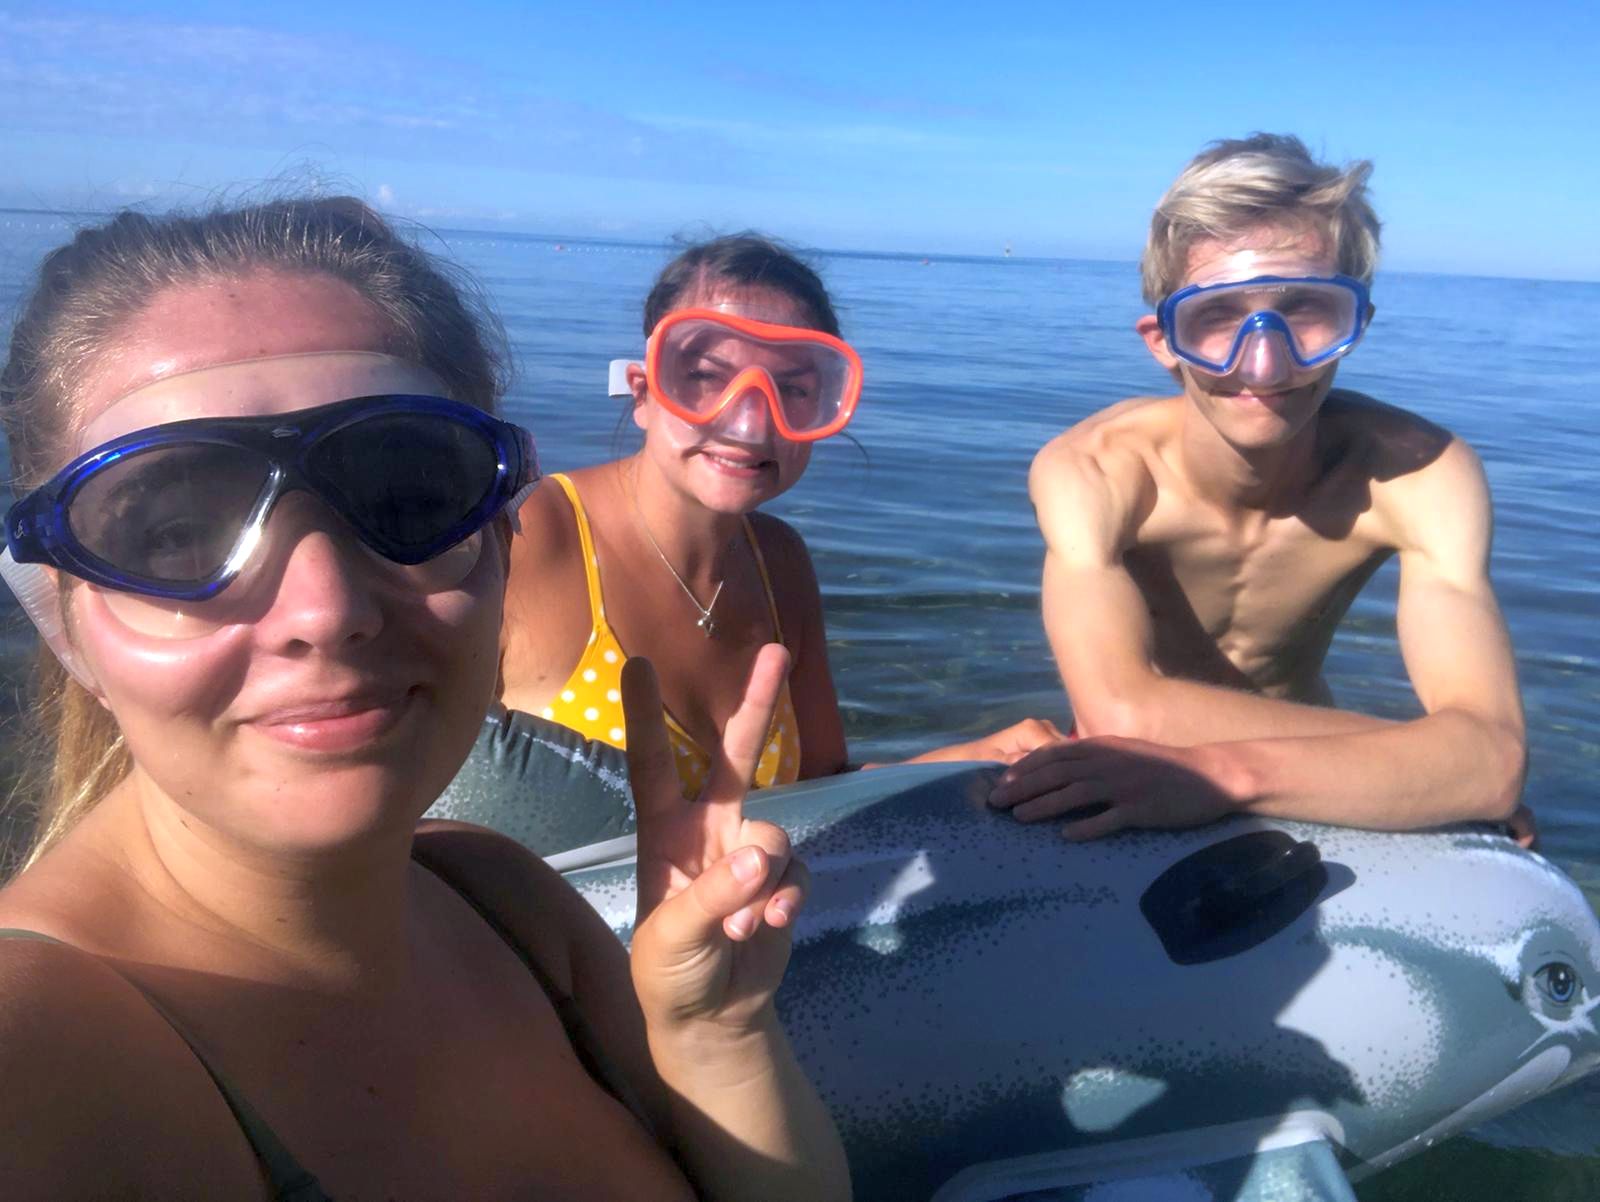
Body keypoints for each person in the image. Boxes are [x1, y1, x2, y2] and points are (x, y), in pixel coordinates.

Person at [0, 200, 849, 1200]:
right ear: (60, 615)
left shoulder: (508, 903)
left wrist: (714, 1034)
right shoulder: (42, 1055)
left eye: (408, 498)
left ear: (497, 548)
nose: (326, 609)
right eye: (174, 532)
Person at [992, 134, 1532, 844]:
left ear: (1357, 324)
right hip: (1141, 774)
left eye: (1307, 309)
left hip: (1306, 785)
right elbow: (1119, 717)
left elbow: (1492, 762)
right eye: (1217, 316)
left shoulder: (1418, 472)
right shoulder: (1096, 471)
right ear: (1163, 339)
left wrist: (1231, 776)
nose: (1266, 364)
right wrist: (1430, 765)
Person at [497, 234, 1060, 801]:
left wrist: (967, 762)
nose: (750, 424)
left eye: (792, 388)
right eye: (707, 376)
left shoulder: (780, 562)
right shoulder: (528, 535)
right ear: (643, 393)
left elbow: (817, 789)